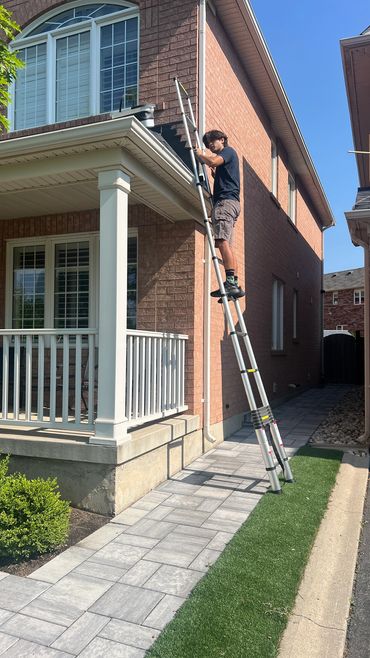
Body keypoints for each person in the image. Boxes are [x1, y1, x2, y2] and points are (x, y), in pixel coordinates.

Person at [194, 130, 245, 300]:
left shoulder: (228, 152)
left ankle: (230, 282)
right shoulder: (227, 157)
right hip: (231, 203)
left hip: (225, 203)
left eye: (211, 142)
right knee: (227, 246)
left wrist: (201, 155)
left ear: (222, 139)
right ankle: (234, 284)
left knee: (222, 242)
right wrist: (217, 175)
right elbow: (220, 167)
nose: (209, 146)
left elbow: (214, 161)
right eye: (207, 144)